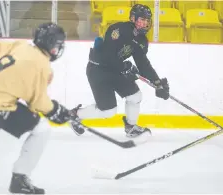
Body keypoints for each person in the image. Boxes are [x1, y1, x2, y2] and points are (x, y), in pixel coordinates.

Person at [0, 22, 83, 194]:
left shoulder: (20, 46)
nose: (58, 49)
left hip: (1, 102)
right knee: (42, 129)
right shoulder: (41, 64)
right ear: (50, 43)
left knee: (36, 125)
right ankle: (19, 179)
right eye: (57, 45)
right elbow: (38, 103)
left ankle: (19, 179)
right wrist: (56, 111)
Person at [69, 4, 170, 139]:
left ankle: (131, 127)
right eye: (142, 19)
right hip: (99, 70)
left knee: (135, 96)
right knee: (108, 111)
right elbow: (108, 55)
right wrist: (125, 67)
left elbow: (143, 64)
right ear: (133, 18)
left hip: (116, 71)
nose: (145, 23)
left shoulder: (141, 40)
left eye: (147, 20)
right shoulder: (119, 29)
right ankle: (75, 115)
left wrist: (157, 82)